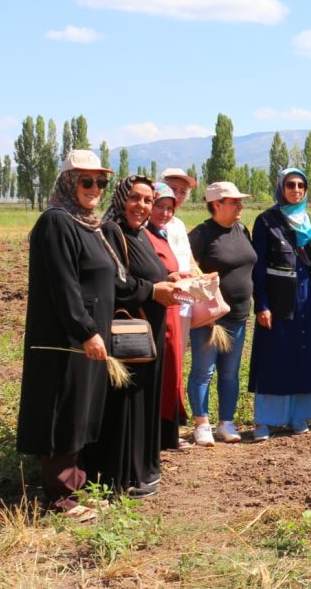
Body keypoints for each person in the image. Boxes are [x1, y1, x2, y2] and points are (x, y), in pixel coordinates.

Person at [17, 150, 118, 520]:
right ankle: (60, 499)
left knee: (79, 411)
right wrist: (86, 330)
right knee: (62, 412)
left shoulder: (87, 223)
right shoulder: (57, 223)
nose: (95, 188)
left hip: (87, 338)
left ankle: (74, 488)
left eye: (100, 182)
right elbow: (64, 286)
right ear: (67, 182)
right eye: (85, 181)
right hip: (66, 339)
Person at [81, 176, 182, 497]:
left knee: (143, 402)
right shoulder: (112, 231)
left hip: (148, 331)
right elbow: (117, 283)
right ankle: (122, 476)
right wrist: (155, 289)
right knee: (126, 404)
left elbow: (145, 273)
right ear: (122, 198)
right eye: (135, 198)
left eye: (148, 200)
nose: (142, 206)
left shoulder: (140, 235)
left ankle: (142, 469)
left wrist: (171, 278)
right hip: (128, 333)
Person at [249, 169, 311, 440]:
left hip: (305, 299)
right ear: (281, 187)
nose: (296, 189)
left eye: (301, 185)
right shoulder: (266, 221)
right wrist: (262, 305)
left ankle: (297, 416)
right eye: (290, 184)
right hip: (278, 300)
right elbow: (257, 269)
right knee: (274, 357)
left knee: (303, 355)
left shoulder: (306, 220)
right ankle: (264, 421)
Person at [187, 182, 257, 444]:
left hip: (238, 316)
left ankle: (226, 422)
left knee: (230, 372)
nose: (240, 205)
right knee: (203, 371)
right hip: (210, 319)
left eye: (240, 201)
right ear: (216, 204)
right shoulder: (202, 234)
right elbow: (189, 268)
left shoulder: (241, 229)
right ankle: (201, 423)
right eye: (234, 201)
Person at [143, 182, 193, 451]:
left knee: (172, 370)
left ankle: (168, 433)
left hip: (172, 310)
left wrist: (178, 275)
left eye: (169, 208)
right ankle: (158, 435)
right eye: (159, 206)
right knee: (158, 373)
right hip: (154, 312)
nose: (164, 213)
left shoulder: (161, 234)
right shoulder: (142, 235)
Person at [161, 168, 197, 351]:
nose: (178, 195)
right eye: (173, 188)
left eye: (183, 191)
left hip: (185, 300)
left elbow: (189, 258)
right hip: (164, 299)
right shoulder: (149, 222)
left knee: (178, 353)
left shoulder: (179, 224)